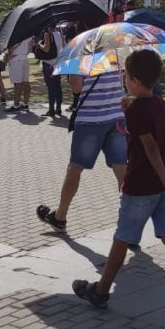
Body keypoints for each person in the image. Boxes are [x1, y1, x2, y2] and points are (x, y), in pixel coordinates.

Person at [70, 49, 165, 323]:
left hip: (141, 186)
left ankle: (101, 290)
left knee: (122, 238)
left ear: (137, 80)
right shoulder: (158, 104)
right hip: (163, 186)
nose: (124, 80)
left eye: (127, 76)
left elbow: (150, 148)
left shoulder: (137, 110)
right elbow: (150, 129)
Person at [36, 58, 128, 233]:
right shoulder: (116, 54)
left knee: (75, 168)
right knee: (122, 170)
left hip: (90, 122)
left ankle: (60, 216)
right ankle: (128, 223)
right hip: (117, 118)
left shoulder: (84, 57)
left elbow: (77, 88)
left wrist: (75, 69)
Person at [39, 27, 66, 116]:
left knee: (50, 87)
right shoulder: (59, 34)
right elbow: (64, 46)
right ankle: (58, 108)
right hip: (57, 62)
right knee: (57, 86)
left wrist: (39, 44)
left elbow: (46, 49)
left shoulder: (47, 34)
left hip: (48, 63)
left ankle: (51, 109)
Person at [6, 34, 33, 112]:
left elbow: (10, 49)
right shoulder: (29, 35)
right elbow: (30, 49)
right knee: (25, 82)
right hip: (24, 58)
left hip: (16, 58)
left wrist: (9, 57)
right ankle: (25, 103)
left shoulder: (14, 34)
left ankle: (16, 105)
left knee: (17, 83)